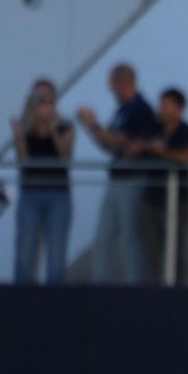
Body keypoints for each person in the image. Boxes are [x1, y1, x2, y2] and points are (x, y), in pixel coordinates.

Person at [77, 63, 159, 285]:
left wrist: (93, 124)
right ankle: (101, 287)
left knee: (131, 240)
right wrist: (93, 128)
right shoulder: (122, 111)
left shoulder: (141, 110)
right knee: (103, 240)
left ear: (122, 83)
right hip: (117, 180)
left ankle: (135, 288)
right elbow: (110, 144)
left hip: (133, 180)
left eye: (113, 85)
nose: (111, 91)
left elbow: (126, 146)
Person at [139, 88, 188, 285]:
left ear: (179, 109)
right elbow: (133, 148)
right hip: (151, 199)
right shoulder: (151, 129)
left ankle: (177, 292)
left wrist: (165, 153)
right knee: (151, 251)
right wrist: (146, 147)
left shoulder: (187, 132)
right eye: (161, 104)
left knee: (175, 250)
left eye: (166, 105)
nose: (161, 109)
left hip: (178, 201)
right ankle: (153, 293)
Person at [11, 92, 73, 284]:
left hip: (58, 194)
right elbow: (24, 161)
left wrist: (54, 129)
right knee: (26, 252)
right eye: (42, 103)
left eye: (50, 103)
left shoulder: (65, 128)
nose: (46, 107)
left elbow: (65, 157)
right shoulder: (26, 130)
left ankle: (55, 303)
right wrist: (20, 137)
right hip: (31, 192)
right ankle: (22, 300)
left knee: (56, 255)